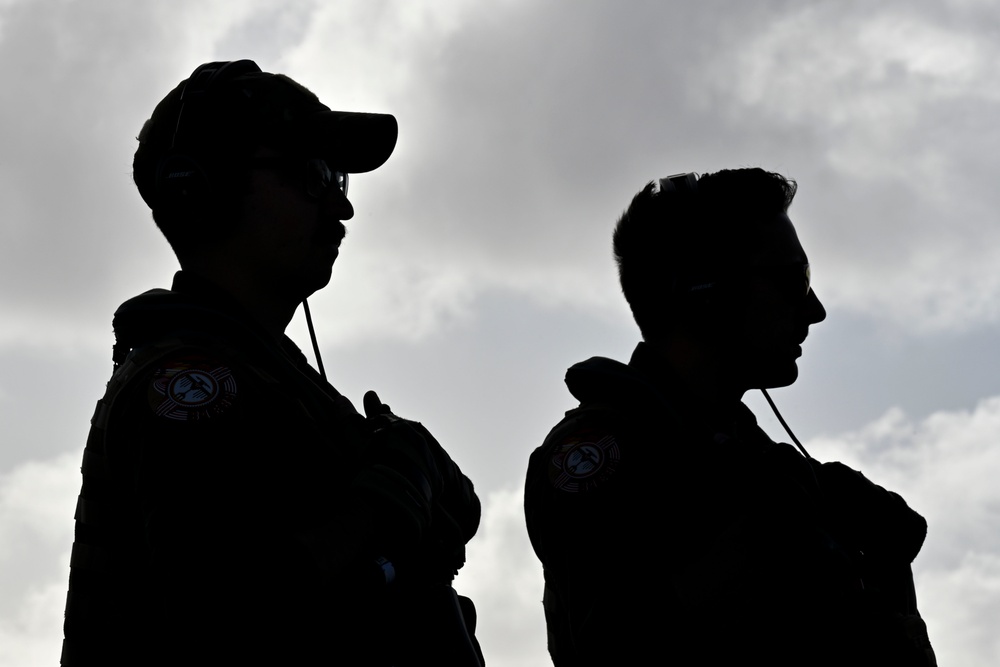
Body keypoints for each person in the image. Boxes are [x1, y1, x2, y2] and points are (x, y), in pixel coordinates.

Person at [62, 60, 483, 667]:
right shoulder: (189, 390)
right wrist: (382, 505)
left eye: (340, 178)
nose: (342, 208)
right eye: (314, 175)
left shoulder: (268, 380)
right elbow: (226, 623)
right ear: (201, 189)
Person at [524, 169, 936, 666]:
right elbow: (612, 650)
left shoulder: (771, 471)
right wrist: (768, 538)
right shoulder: (604, 453)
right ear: (707, 293)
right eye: (793, 282)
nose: (816, 310)